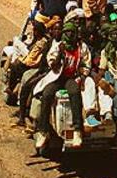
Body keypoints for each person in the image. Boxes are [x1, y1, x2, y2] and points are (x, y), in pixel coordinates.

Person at [35, 21, 91, 149]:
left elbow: (86, 64)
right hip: (57, 78)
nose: (69, 34)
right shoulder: (58, 46)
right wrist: (60, 53)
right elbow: (53, 65)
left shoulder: (81, 47)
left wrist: (82, 77)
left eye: (72, 32)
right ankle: (42, 131)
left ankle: (77, 130)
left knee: (74, 92)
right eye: (67, 32)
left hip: (71, 78)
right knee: (47, 94)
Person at [6, 21, 50, 98]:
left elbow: (31, 59)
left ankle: (11, 88)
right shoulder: (38, 39)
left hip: (31, 64)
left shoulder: (41, 43)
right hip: (29, 59)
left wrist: (21, 61)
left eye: (34, 30)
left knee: (14, 66)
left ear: (37, 31)